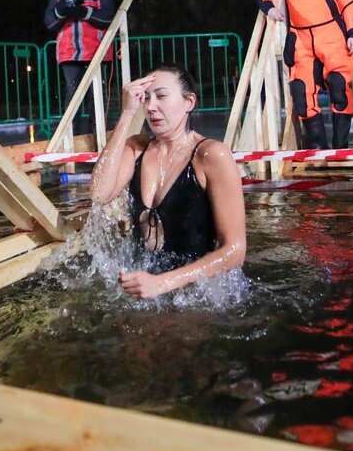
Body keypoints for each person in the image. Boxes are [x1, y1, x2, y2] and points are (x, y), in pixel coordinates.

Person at [89, 64, 246, 299]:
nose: (151, 107)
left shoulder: (211, 156)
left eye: (161, 96)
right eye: (147, 98)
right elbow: (99, 194)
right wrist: (127, 113)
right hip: (145, 285)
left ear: (188, 103)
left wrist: (163, 283)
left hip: (196, 294)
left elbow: (235, 251)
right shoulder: (136, 149)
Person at [258, 0, 353, 150]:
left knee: (339, 87)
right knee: (301, 93)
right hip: (301, 40)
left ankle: (341, 147)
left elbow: (349, 2)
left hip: (333, 37)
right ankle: (317, 150)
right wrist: (269, 8)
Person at [44, 0, 116, 136]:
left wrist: (83, 12)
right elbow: (50, 22)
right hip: (70, 53)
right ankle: (72, 139)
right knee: (72, 96)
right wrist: (62, 11)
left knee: (97, 97)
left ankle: (99, 138)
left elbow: (108, 18)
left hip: (96, 52)